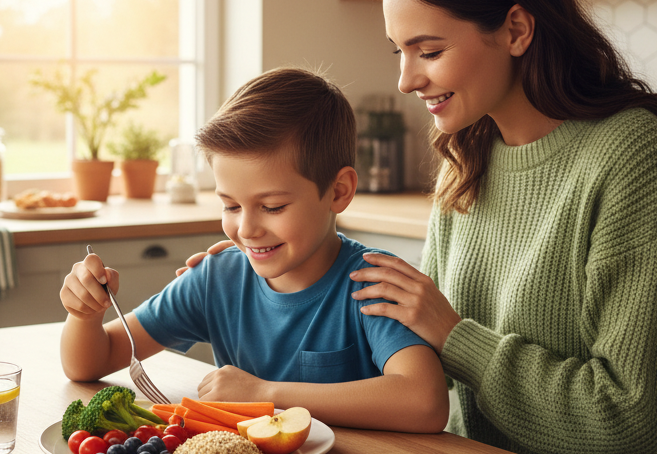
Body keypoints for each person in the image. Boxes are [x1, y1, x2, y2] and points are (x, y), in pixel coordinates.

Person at [183, 0, 657, 454]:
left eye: (429, 51)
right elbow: (412, 361)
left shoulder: (630, 156)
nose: (408, 79)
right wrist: (265, 275)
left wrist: (456, 336)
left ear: (517, 30)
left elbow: (627, 418)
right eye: (398, 52)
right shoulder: (466, 155)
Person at [59, 68, 449, 432]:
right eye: (230, 206)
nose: (246, 230)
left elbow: (425, 402)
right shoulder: (217, 279)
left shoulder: (374, 283)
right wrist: (84, 314)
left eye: (273, 207)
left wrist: (266, 394)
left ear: (339, 191)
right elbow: (89, 362)